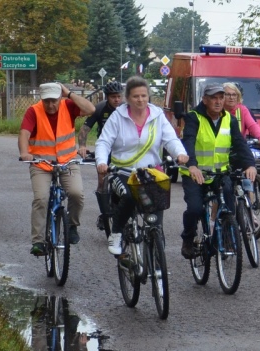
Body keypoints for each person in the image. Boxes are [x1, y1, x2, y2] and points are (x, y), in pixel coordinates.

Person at [94, 76, 188, 256]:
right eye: (136, 96)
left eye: (144, 96)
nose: (140, 100)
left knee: (156, 212)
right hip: (123, 172)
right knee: (129, 196)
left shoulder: (157, 115)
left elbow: (171, 139)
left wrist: (180, 153)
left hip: (150, 172)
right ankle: (116, 233)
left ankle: (156, 248)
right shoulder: (118, 116)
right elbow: (104, 142)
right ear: (128, 98)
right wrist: (102, 162)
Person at [178, 84, 257, 260]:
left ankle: (227, 237)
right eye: (214, 98)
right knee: (194, 208)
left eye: (221, 98)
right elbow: (188, 142)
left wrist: (249, 164)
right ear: (204, 100)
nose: (218, 101)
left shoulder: (230, 119)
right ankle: (188, 239)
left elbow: (239, 143)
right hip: (195, 174)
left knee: (228, 201)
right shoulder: (194, 117)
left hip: (219, 174)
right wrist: (192, 165)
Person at [18, 81, 94, 256]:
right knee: (41, 198)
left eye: (54, 100)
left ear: (60, 98)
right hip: (41, 164)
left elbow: (90, 109)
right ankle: (38, 241)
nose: (51, 105)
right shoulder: (33, 111)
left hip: (67, 161)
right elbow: (24, 134)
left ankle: (72, 225)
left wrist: (69, 94)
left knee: (76, 193)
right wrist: (24, 153)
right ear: (41, 99)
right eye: (47, 101)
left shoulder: (68, 106)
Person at [222, 82, 260, 158]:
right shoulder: (217, 110)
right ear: (222, 96)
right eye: (228, 94)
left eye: (234, 94)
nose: (231, 97)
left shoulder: (242, 110)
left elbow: (253, 125)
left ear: (238, 96)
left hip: (237, 150)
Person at [79, 80, 124, 157]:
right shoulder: (99, 108)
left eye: (119, 96)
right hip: (104, 146)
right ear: (107, 97)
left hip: (122, 147)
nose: (117, 100)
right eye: (113, 97)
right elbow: (84, 129)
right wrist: (82, 146)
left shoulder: (127, 108)